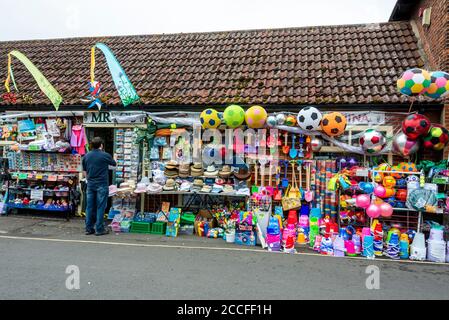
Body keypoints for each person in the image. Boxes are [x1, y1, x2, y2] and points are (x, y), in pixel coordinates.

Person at [82, 137, 116, 236]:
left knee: (89, 207)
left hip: (91, 184)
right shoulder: (105, 155)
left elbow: (84, 171)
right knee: (100, 207)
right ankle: (99, 229)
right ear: (101, 145)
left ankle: (89, 228)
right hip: (102, 184)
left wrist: (88, 179)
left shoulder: (87, 156)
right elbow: (114, 164)